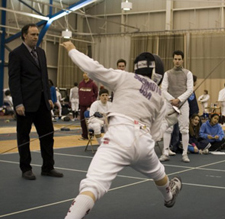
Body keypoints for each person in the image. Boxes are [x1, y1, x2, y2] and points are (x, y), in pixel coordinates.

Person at [61, 41, 182, 218]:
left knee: (92, 186)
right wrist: (168, 122)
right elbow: (156, 135)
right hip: (143, 141)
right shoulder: (160, 96)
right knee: (158, 172)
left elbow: (94, 69)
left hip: (118, 136)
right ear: (158, 73)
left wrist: (72, 51)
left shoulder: (124, 77)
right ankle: (168, 196)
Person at [8, 23, 63, 180]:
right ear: (24, 35)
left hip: (42, 103)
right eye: (32, 34)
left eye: (37, 34)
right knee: (24, 137)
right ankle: (26, 168)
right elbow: (14, 80)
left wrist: (49, 98)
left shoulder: (41, 53)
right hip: (25, 104)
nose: (35, 37)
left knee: (47, 135)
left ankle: (48, 167)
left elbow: (44, 78)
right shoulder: (16, 54)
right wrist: (18, 103)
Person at [159, 50, 194, 163]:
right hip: (170, 104)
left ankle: (184, 154)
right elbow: (163, 89)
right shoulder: (167, 73)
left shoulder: (187, 73)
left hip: (183, 104)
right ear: (173, 60)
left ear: (182, 60)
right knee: (167, 128)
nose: (177, 61)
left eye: (179, 59)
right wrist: (171, 100)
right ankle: (165, 152)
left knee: (184, 129)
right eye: (175, 59)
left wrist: (179, 99)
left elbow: (190, 89)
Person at [78, 72, 98, 140]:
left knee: (90, 121)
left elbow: (96, 94)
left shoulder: (93, 84)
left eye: (86, 73)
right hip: (82, 105)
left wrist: (92, 102)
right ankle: (84, 135)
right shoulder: (80, 84)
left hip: (90, 106)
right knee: (82, 121)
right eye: (83, 73)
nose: (85, 75)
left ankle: (91, 134)